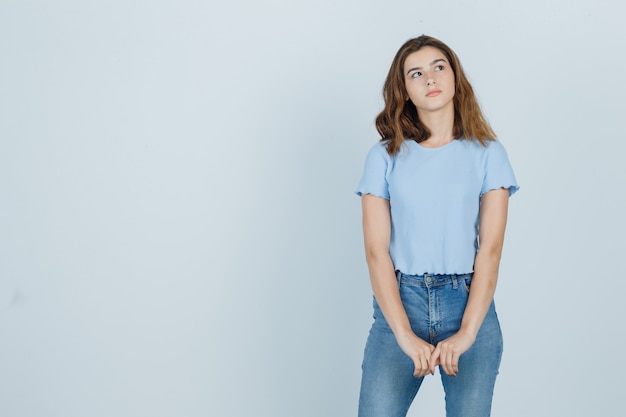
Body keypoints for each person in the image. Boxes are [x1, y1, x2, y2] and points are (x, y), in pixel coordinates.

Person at [355, 35, 519, 417]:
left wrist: (466, 333)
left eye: (438, 67)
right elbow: (376, 253)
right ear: (405, 90)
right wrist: (402, 334)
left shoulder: (488, 153)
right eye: (416, 73)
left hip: (468, 302)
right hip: (400, 302)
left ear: (455, 78)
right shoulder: (384, 156)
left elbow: (490, 251)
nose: (430, 78)